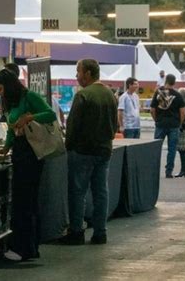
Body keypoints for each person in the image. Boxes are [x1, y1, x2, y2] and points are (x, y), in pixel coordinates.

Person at [0, 69, 56, 261]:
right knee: (24, 201)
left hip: (31, 154)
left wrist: (30, 117)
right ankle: (28, 246)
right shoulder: (11, 103)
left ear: (9, 86)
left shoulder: (30, 97)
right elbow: (13, 130)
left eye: (0, 89)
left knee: (24, 201)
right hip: (19, 152)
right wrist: (5, 149)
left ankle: (23, 248)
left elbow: (50, 114)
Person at [60, 59, 117, 245]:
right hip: (104, 149)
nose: (77, 75)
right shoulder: (110, 94)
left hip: (82, 151)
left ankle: (76, 231)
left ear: (88, 73)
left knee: (78, 192)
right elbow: (115, 124)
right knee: (101, 192)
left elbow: (73, 125)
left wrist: (68, 145)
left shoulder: (83, 95)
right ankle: (100, 232)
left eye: (79, 71)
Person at [150, 74, 185, 178]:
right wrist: (179, 123)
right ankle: (168, 171)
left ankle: (154, 170)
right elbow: (183, 112)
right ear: (174, 82)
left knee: (156, 147)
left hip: (160, 124)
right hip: (173, 125)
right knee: (172, 149)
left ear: (165, 80)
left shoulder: (158, 93)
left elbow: (152, 110)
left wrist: (156, 120)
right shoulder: (178, 95)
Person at [175, 88, 185, 178]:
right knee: (183, 150)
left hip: (181, 128)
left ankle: (183, 170)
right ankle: (184, 170)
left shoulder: (181, 106)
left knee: (181, 150)